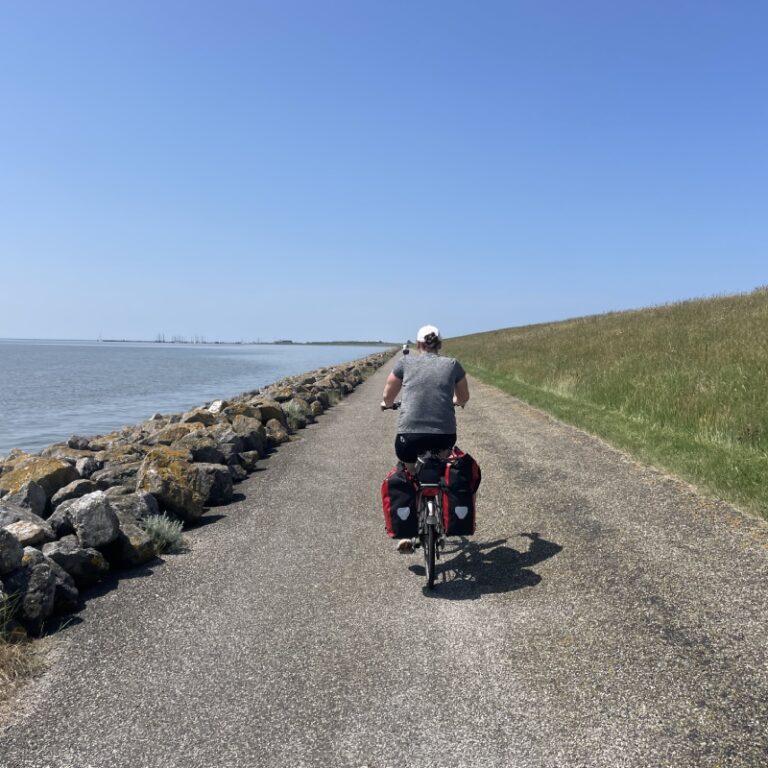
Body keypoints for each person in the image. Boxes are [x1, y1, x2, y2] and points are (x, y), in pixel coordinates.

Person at [381, 325, 470, 551]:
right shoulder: (452, 364)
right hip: (444, 436)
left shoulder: (405, 363)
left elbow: (387, 395)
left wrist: (387, 405)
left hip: (409, 437)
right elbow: (464, 397)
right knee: (442, 471)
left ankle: (408, 533)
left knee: (409, 475)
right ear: (439, 344)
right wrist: (455, 402)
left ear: (418, 344)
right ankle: (443, 507)